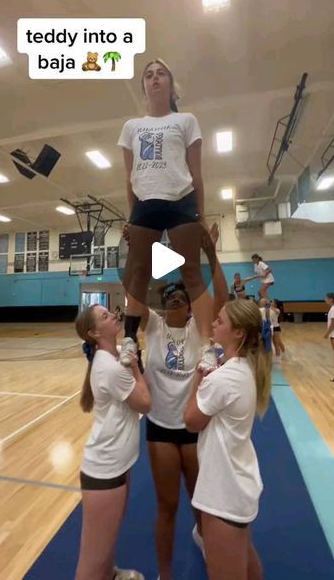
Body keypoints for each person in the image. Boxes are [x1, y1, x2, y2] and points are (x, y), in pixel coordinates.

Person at [117, 58, 219, 373]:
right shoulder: (131, 127)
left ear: (170, 84)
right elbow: (129, 176)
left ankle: (207, 347)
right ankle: (131, 339)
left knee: (192, 273)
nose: (155, 78)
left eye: (161, 73)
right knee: (138, 274)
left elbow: (197, 174)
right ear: (143, 87)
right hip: (145, 204)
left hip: (181, 201)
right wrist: (131, 217)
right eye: (149, 75)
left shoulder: (186, 120)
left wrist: (201, 216)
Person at [139, 223, 228, 580]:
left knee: (198, 501)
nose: (176, 299)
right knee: (167, 505)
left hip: (192, 425)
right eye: (170, 297)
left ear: (189, 307)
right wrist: (141, 251)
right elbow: (133, 294)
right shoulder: (154, 327)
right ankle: (165, 573)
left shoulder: (199, 330)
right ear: (164, 304)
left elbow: (220, 294)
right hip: (161, 427)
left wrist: (210, 252)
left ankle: (205, 539)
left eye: (182, 297)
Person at [184, 299, 273, 580]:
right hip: (237, 484)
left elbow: (190, 420)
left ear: (238, 333)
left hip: (224, 492)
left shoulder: (223, 379)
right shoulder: (242, 368)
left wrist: (200, 376)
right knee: (247, 562)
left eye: (220, 321)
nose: (213, 324)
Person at [75, 304, 151, 580]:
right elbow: (145, 402)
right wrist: (135, 368)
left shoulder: (112, 357)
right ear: (94, 332)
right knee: (90, 560)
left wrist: (130, 358)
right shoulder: (110, 367)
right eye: (105, 316)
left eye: (110, 312)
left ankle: (110, 574)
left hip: (117, 465)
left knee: (109, 537)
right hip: (104, 471)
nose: (113, 316)